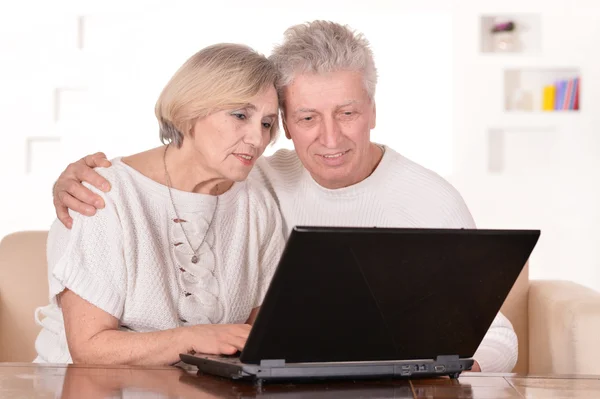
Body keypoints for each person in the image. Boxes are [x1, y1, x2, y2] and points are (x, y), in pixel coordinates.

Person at [51, 20, 518, 372]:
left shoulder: (426, 200)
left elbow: (492, 332)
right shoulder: (250, 180)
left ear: (373, 111)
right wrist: (74, 178)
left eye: (348, 112)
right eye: (307, 117)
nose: (330, 138)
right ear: (291, 126)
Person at [34, 43, 284, 365]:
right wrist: (193, 339)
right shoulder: (104, 193)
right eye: (240, 115)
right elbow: (89, 349)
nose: (257, 139)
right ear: (191, 110)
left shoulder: (257, 205)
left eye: (266, 123)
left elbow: (256, 339)